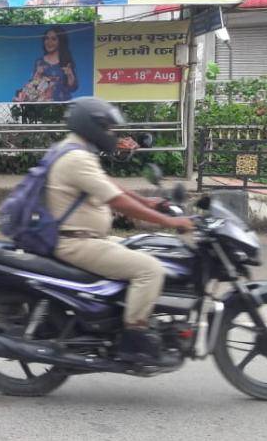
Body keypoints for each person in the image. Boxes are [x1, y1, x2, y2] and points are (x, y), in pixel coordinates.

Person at [46, 97, 193, 366]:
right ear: (92, 127)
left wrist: (147, 202)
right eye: (108, 129)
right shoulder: (76, 157)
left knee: (142, 246)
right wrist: (169, 222)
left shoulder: (74, 149)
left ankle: (118, 318)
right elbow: (117, 201)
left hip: (84, 238)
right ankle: (133, 341)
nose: (111, 135)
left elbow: (109, 186)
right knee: (149, 269)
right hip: (76, 242)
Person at [13, 26, 78, 103]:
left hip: (63, 105)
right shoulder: (40, 62)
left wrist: (70, 75)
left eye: (54, 39)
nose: (49, 42)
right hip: (43, 106)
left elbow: (72, 88)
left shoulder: (66, 62)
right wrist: (38, 74)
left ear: (60, 41)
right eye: (47, 38)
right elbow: (33, 87)